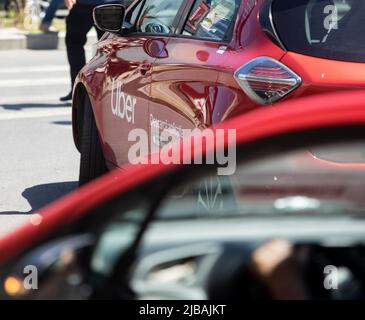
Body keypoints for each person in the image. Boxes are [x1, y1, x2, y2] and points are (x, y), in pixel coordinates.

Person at [61, 0, 119, 102]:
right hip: (110, 5)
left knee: (74, 44)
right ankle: (109, 91)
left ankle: (79, 91)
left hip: (84, 5)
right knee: (110, 48)